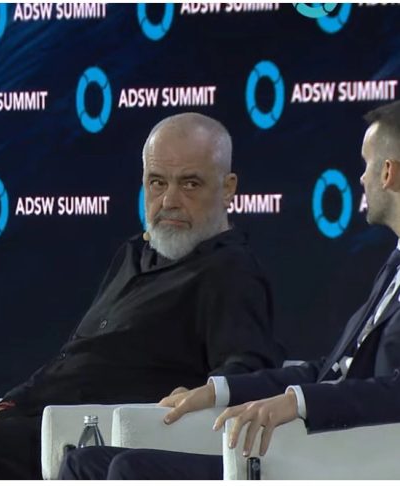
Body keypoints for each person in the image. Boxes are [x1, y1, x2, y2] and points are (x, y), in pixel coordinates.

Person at [0, 112, 284, 480]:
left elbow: (249, 372)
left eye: (190, 183)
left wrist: (204, 394)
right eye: (157, 182)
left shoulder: (230, 271)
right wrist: (11, 404)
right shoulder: (135, 253)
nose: (169, 200)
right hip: (35, 420)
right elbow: (76, 355)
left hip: (91, 438)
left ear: (228, 188)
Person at [60, 100, 400, 480]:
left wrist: (297, 402)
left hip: (344, 458)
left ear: (388, 172)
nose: (361, 178)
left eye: (366, 163)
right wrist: (216, 391)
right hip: (312, 444)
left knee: (129, 469)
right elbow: (331, 369)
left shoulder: (232, 269)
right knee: (83, 462)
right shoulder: (393, 268)